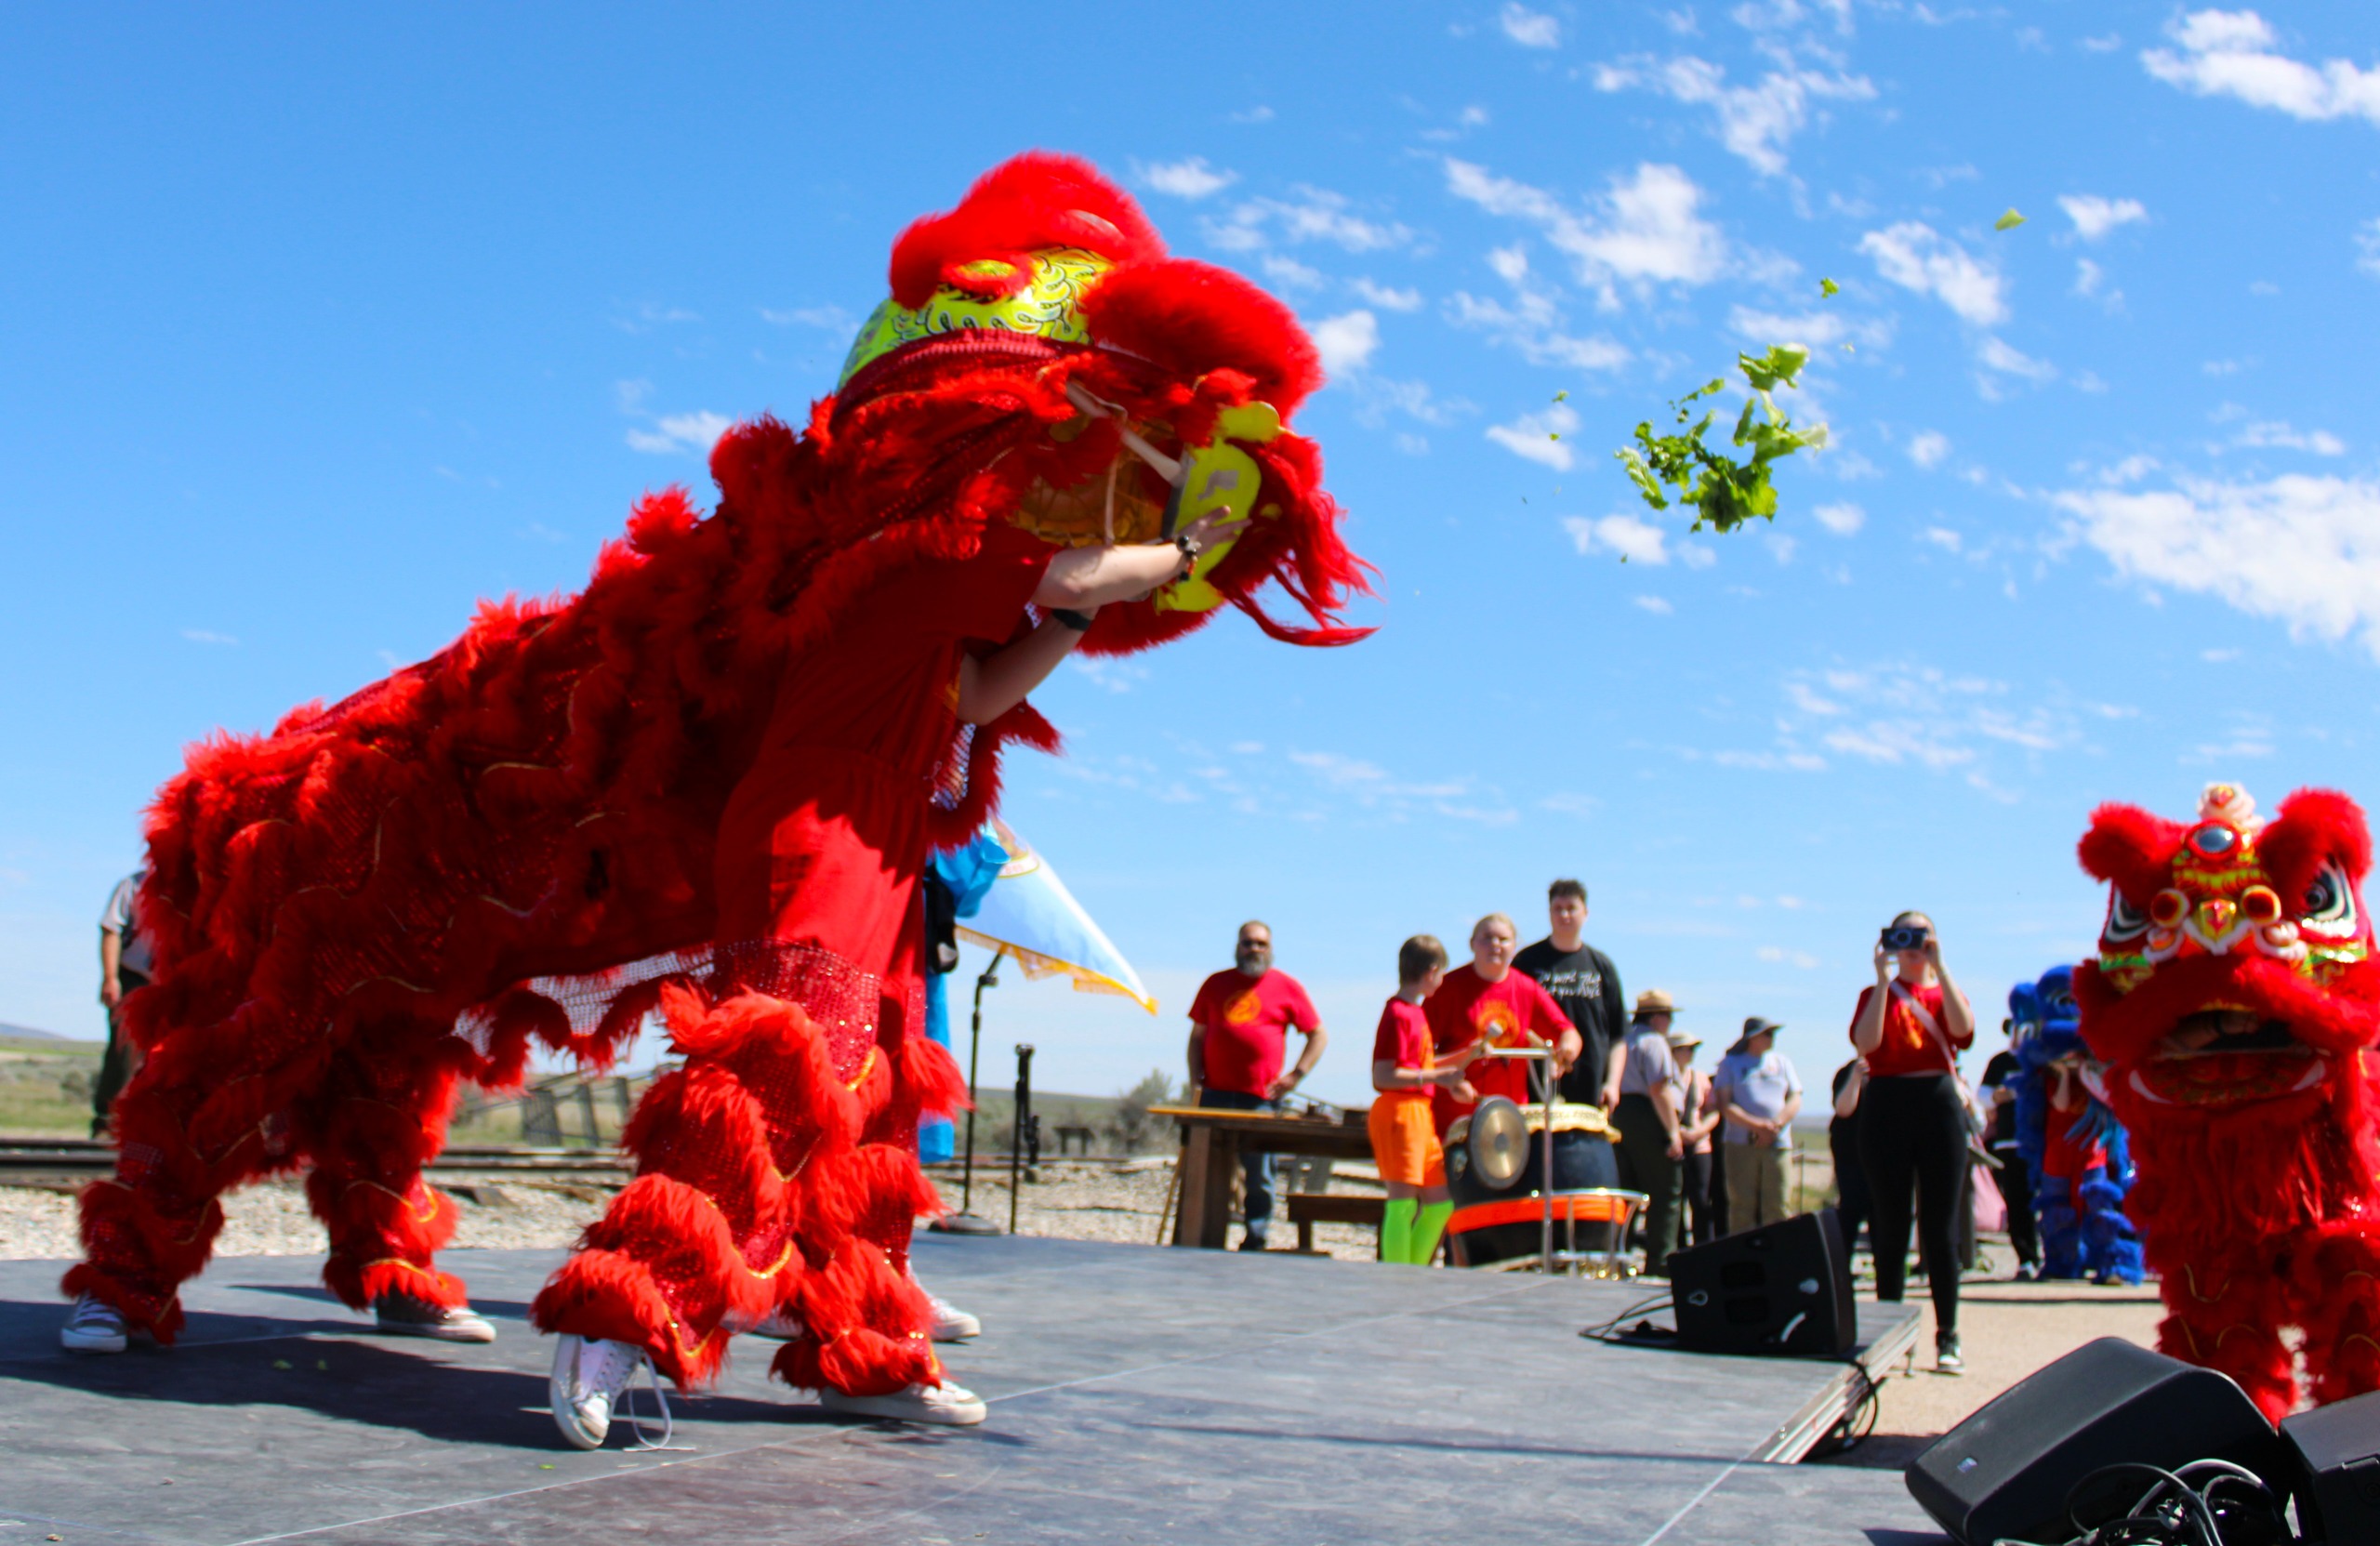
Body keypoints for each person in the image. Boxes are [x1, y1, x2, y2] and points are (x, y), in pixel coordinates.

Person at [49, 155, 1376, 1455]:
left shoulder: (947, 611)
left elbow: (995, 679)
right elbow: (1074, 574)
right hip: (818, 829)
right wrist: (1185, 547)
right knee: (780, 1067)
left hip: (881, 846)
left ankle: (863, 1338)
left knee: (867, 1097)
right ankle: (614, 1317)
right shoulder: (913, 550)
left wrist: (1092, 609)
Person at [1849, 910, 1977, 1373]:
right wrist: (1883, 981)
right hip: (1887, 1104)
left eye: (1921, 937)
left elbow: (1964, 1033)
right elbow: (1867, 1044)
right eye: (1903, 937)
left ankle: (1948, 1335)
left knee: (1940, 1230)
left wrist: (1941, 968)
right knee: (1890, 1224)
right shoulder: (1875, 994)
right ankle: (1890, 1336)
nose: (1912, 946)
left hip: (1937, 1103)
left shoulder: (1945, 991)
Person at [1187, 920, 1327, 1251]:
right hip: (1215, 1095)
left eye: (1261, 944)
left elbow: (1318, 1035)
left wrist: (1295, 1076)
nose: (1254, 949)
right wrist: (1195, 1080)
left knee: (1260, 1173)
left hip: (1261, 1098)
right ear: (1238, 946)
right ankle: (1203, 1234)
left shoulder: (1287, 987)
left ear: (1270, 949)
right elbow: (1196, 1038)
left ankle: (1256, 1237)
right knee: (1208, 1169)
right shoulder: (1215, 984)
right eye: (1248, 943)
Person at [1367, 935, 1477, 1264]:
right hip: (1399, 1113)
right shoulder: (1397, 1013)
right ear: (1431, 971)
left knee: (1440, 1204)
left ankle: (1412, 1271)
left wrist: (1464, 1056)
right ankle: (1397, 1276)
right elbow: (1382, 1076)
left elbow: (1422, 1066)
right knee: (1402, 1202)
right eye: (1441, 973)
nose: (1441, 981)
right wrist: (1437, 1078)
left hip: (1420, 1115)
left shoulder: (1415, 1013)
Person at [1425, 914, 1580, 1143]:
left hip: (1509, 1123)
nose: (1495, 944)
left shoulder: (1527, 988)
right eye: (1487, 938)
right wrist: (1459, 1062)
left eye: (1503, 939)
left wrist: (1567, 1049)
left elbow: (1567, 1031)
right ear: (1472, 944)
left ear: (1515, 946)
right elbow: (1418, 1058)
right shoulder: (1447, 988)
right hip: (1455, 1122)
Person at [1513, 879, 1627, 1109]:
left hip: (1591, 1086)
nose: (1564, 915)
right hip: (1538, 1084)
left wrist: (1613, 1084)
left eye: (1571, 908)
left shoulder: (1601, 966)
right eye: (1558, 909)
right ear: (1549, 913)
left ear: (1585, 913)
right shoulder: (1526, 962)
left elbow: (1618, 1036)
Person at [1603, 987, 1686, 1274]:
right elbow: (1658, 1088)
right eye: (1668, 1016)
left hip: (1620, 1115)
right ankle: (1661, 1261)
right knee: (1666, 1190)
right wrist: (1673, 1131)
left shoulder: (1622, 1040)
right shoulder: (1654, 1042)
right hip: (1648, 1116)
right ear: (1657, 1017)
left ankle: (1619, 1254)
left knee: (1627, 1191)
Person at [1713, 1018, 1802, 1234]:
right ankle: (1742, 1250)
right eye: (1766, 1034)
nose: (1771, 1038)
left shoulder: (1782, 1062)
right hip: (1741, 1143)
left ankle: (1778, 1249)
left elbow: (1795, 1097)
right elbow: (1725, 1104)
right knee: (1741, 1205)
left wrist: (1775, 1125)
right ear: (1751, 1038)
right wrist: (1757, 1126)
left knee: (1778, 1204)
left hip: (1778, 1143)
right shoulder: (1730, 1064)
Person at [1977, 1021, 2042, 1281]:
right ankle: (2027, 1257)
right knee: (2017, 1202)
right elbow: (1984, 1096)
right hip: (2010, 1141)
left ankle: (2061, 1256)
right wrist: (2005, 1094)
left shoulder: (2042, 1058)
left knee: (2049, 1198)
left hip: (2043, 1139)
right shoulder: (2001, 1062)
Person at [92, 870, 152, 1139]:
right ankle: (107, 1123)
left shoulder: (195, 885)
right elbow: (111, 929)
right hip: (133, 977)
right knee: (124, 1049)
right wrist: (110, 977)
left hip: (176, 979)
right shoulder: (133, 885)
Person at [1668, 1027, 1720, 1248]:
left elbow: (1713, 1111)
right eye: (1686, 1049)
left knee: (1700, 1200)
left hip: (1699, 1146)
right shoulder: (1664, 1079)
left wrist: (1700, 1131)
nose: (1691, 1053)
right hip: (1673, 1146)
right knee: (1674, 1200)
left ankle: (1704, 1248)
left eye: (1693, 1049)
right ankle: (1678, 1249)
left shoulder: (1700, 1078)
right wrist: (1676, 1132)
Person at [1828, 1058, 1871, 1260]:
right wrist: (1856, 1077)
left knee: (1882, 1218)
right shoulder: (1847, 1072)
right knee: (1850, 1212)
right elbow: (1843, 1110)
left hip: (1884, 1158)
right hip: (1850, 1156)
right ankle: (1842, 1269)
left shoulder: (1893, 1071)